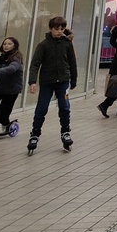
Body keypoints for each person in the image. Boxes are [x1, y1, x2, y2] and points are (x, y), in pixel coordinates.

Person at [26, 16, 78, 153]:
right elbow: (35, 64)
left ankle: (65, 131)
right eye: (57, 29)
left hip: (63, 82)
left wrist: (74, 79)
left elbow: (72, 62)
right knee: (41, 108)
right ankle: (35, 133)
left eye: (62, 29)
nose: (60, 31)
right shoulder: (43, 45)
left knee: (64, 107)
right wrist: (32, 81)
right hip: (47, 82)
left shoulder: (67, 44)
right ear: (51, 29)